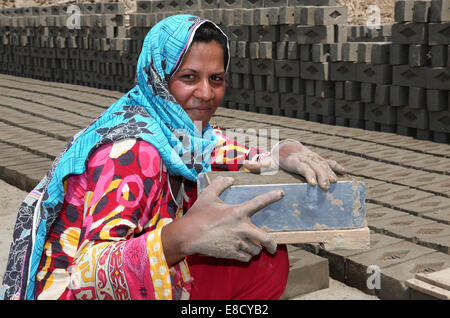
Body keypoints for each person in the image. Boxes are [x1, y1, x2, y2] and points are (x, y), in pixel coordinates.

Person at [1, 15, 345, 300]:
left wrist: (283, 151)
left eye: (217, 79)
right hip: (67, 291)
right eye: (189, 78)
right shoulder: (134, 151)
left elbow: (218, 148)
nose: (206, 93)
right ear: (160, 78)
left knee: (263, 255)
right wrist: (180, 237)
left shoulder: (170, 128)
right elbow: (86, 271)